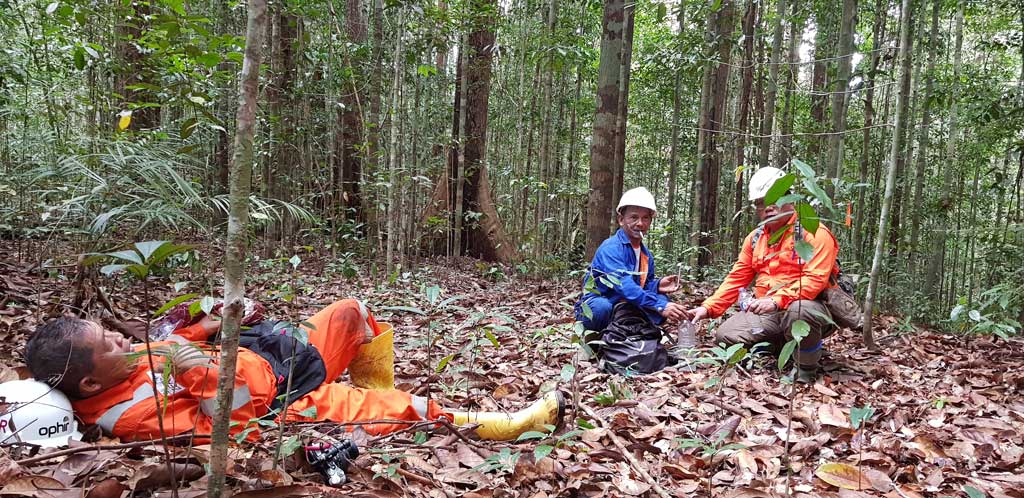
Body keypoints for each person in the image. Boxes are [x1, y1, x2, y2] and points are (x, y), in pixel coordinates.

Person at [23, 299, 564, 443]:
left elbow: (171, 343)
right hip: (282, 402)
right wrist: (198, 373)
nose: (123, 340)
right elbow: (231, 423)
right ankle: (505, 425)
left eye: (112, 332)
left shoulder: (121, 363)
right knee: (404, 409)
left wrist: (212, 323)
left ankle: (373, 388)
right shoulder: (130, 416)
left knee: (352, 314)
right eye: (109, 344)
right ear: (89, 383)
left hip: (280, 356)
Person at [686, 167, 839, 384]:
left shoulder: (814, 232)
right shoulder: (756, 238)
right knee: (726, 336)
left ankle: (805, 368)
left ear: (789, 198)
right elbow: (737, 277)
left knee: (800, 310)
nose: (767, 207)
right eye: (760, 203)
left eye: (773, 199)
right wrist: (708, 308)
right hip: (770, 310)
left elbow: (815, 280)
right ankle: (783, 346)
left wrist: (776, 301)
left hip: (810, 307)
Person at [575, 187, 688, 332]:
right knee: (602, 308)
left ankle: (631, 330)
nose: (640, 223)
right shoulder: (611, 248)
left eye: (645, 218)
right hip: (603, 301)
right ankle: (600, 335)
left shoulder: (646, 254)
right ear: (621, 220)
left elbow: (642, 286)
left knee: (663, 300)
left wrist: (657, 285)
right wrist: (660, 306)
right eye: (634, 218)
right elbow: (624, 284)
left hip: (625, 304)